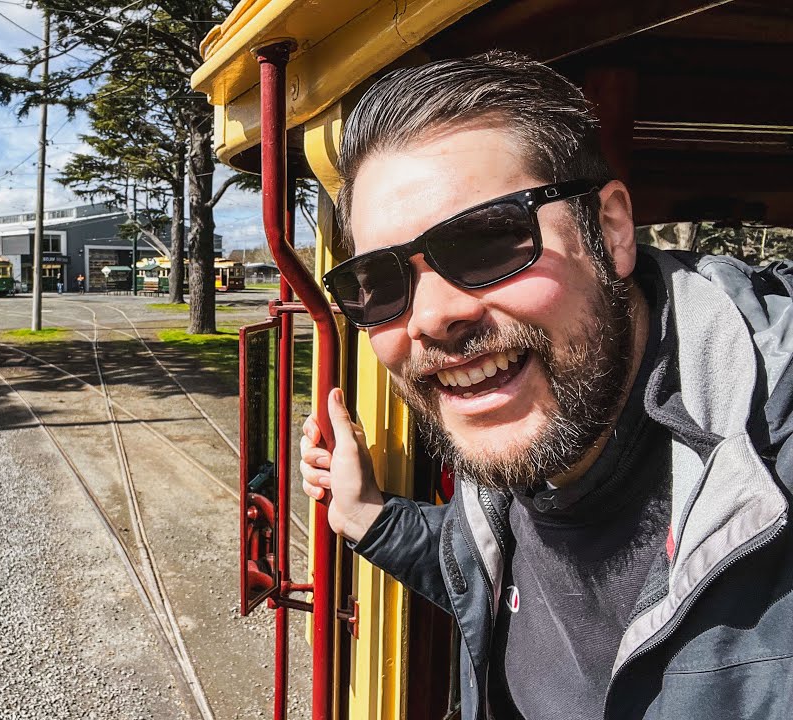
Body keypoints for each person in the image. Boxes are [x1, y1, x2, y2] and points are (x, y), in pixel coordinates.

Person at [300, 51, 793, 719]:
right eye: (380, 284)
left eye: (489, 242)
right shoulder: (523, 449)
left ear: (611, 229)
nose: (433, 317)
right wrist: (367, 518)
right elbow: (497, 571)